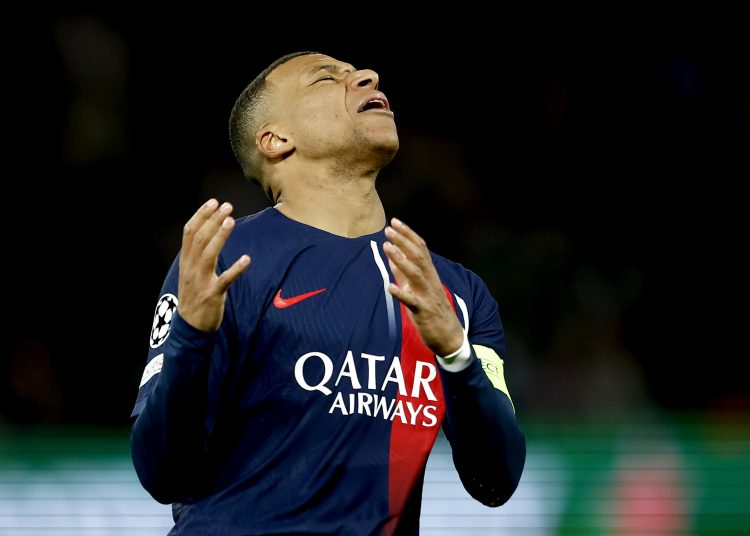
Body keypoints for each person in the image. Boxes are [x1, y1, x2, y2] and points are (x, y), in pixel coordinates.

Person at [130, 51, 526, 535]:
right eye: (326, 78)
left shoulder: (455, 293)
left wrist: (457, 355)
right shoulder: (227, 261)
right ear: (276, 140)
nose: (367, 75)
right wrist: (192, 338)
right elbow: (162, 472)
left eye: (358, 72)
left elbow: (497, 481)